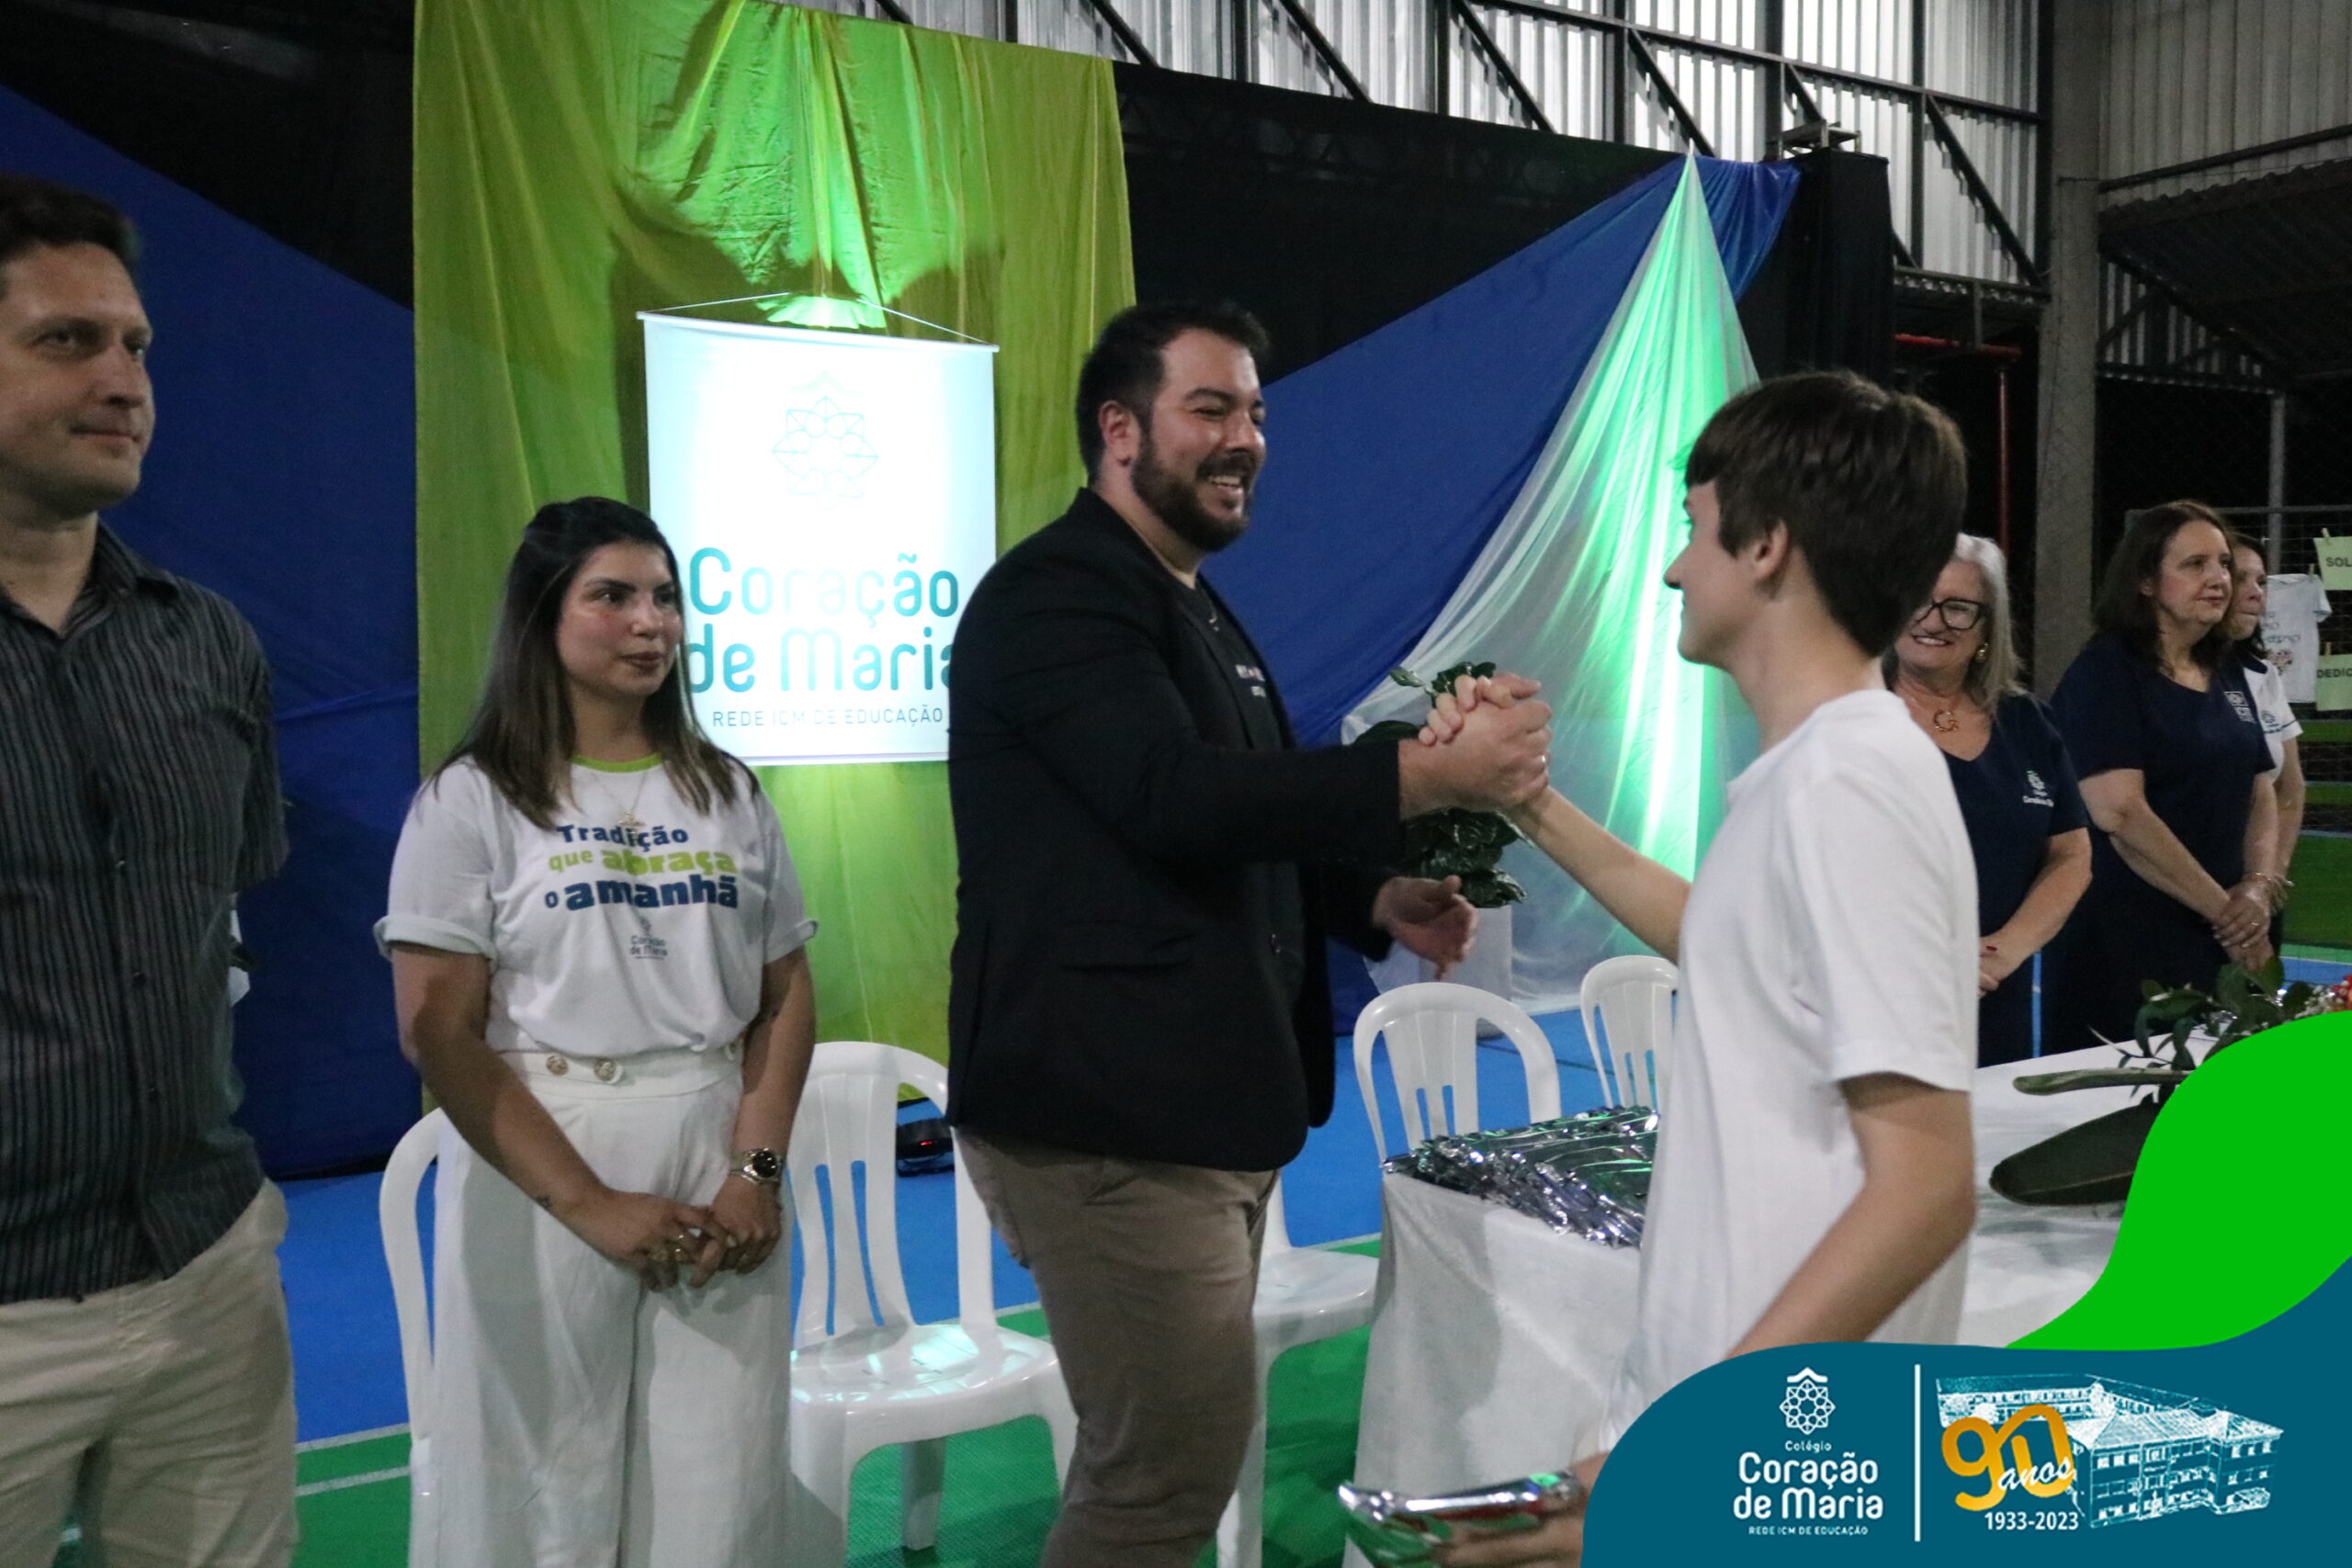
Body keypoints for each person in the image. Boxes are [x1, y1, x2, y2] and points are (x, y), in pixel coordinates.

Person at [944, 300, 1553, 1568]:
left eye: (1257, 412)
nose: (1246, 439)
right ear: (1119, 430)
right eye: (1210, 408)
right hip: (1107, 1117)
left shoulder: (1187, 602)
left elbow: (1224, 825)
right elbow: (1169, 796)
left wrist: (1369, 899)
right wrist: (1430, 779)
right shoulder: (1057, 596)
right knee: (1158, 1481)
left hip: (1189, 1107)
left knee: (1168, 1464)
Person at [1416, 371, 1978, 1568]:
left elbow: (1927, 1184)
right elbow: (1717, 933)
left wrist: (1702, 1445)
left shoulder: (1848, 783)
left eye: (1695, 526)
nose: (1675, 567)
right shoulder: (1818, 771)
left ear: (1766, 546)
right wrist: (1524, 798)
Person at [380, 497, 816, 1565]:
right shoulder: (471, 800)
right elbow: (440, 1031)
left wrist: (755, 1173)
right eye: (612, 596)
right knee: (541, 1498)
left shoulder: (727, 789)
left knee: (721, 1489)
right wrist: (586, 1202)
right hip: (543, 1152)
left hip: (714, 1150)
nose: (649, 623)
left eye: (664, 598)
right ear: (543, 617)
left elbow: (784, 997)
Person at [0, 174, 296, 1566]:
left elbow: (222, 916)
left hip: (209, 1283)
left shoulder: (209, 645)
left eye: (136, 346)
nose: (123, 381)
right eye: (67, 341)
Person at [2042, 502, 2278, 1055]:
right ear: (2145, 581)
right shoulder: (2106, 672)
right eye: (2194, 564)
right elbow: (2120, 814)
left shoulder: (2224, 668)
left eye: (2223, 563)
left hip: (2219, 935)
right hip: (2127, 945)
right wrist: (2229, 916)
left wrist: (2258, 886)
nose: (2218, 578)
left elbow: (2260, 786)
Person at [1885, 535, 2091, 1064]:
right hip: (1881, 1008)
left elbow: (2071, 855)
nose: (1933, 621)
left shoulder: (2028, 723)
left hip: (1995, 1009)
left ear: (1987, 629)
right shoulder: (1851, 719)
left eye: (1958, 608)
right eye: (1919, 599)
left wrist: (2000, 954)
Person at [2224, 535, 2303, 956]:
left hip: (2254, 896)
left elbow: (2289, 789)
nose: (2256, 593)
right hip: (2193, 894)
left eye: (2261, 581)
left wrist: (2266, 881)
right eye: (2241, 579)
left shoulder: (2263, 675)